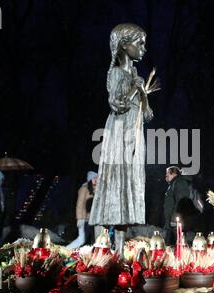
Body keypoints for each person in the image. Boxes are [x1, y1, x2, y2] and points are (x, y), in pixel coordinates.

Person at [89, 24, 154, 256]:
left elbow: (147, 115)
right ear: (125, 46)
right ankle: (105, 248)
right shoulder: (117, 73)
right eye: (140, 43)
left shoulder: (137, 77)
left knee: (130, 183)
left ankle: (120, 249)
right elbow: (117, 103)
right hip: (119, 133)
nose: (144, 48)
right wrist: (134, 90)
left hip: (135, 135)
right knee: (118, 182)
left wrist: (144, 95)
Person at [163, 166, 198, 244]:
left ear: (174, 174)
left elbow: (181, 201)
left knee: (180, 245)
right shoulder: (174, 184)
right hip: (173, 223)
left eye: (167, 174)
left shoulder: (179, 182)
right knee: (173, 246)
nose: (166, 176)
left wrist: (175, 219)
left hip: (177, 223)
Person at [66, 171, 97, 249]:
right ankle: (65, 250)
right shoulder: (84, 188)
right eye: (95, 178)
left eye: (97, 178)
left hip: (91, 220)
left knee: (94, 239)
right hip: (84, 219)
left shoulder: (94, 189)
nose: (97, 180)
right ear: (90, 179)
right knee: (81, 239)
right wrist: (79, 219)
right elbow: (79, 205)